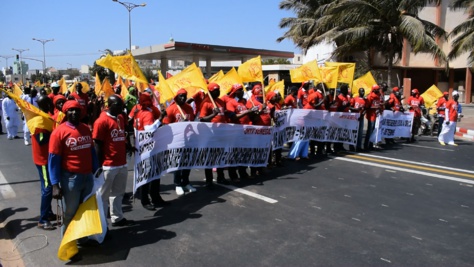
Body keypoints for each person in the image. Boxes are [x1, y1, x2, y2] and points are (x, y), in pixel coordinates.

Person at [49, 100, 99, 236]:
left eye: (77, 110)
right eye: (71, 110)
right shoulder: (59, 132)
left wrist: (97, 170)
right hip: (71, 179)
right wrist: (55, 185)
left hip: (88, 177)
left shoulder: (85, 128)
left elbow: (91, 152)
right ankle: (68, 246)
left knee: (85, 210)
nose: (74, 112)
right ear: (66, 112)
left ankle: (82, 239)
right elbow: (53, 160)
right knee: (70, 212)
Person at [93, 95, 132, 227]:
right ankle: (102, 224)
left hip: (121, 163)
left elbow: (122, 136)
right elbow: (97, 144)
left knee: (118, 193)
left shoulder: (120, 118)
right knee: (103, 196)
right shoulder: (101, 121)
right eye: (119, 105)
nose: (122, 107)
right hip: (108, 166)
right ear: (110, 105)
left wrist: (129, 146)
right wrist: (98, 166)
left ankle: (117, 217)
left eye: (122, 105)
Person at [130, 92, 168, 210]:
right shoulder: (147, 114)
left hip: (141, 146)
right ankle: (147, 199)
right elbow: (149, 129)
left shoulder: (137, 110)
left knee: (148, 173)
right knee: (150, 173)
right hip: (148, 147)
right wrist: (160, 119)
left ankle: (152, 197)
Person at [163, 89, 197, 195]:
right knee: (178, 163)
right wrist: (179, 125)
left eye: (185, 96)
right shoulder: (171, 109)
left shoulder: (189, 108)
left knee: (187, 162)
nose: (183, 98)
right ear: (176, 97)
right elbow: (165, 125)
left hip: (188, 140)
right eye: (181, 96)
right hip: (176, 141)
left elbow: (192, 122)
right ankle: (177, 184)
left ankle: (185, 182)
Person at [199, 83, 231, 187]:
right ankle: (209, 180)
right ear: (210, 91)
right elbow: (202, 119)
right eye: (216, 90)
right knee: (210, 157)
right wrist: (213, 114)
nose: (218, 91)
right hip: (210, 135)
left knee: (221, 156)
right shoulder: (206, 103)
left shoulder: (221, 102)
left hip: (221, 133)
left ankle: (221, 177)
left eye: (219, 89)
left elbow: (223, 116)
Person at [31, 95, 56, 230]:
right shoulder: (40, 120)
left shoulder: (44, 117)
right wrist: (55, 134)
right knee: (47, 188)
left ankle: (49, 212)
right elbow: (41, 139)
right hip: (43, 160)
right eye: (49, 103)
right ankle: (43, 219)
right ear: (46, 105)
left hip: (45, 158)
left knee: (46, 187)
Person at [225, 84, 252, 181]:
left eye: (242, 89)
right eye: (240, 90)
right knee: (234, 154)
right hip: (235, 132)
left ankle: (243, 172)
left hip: (245, 131)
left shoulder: (244, 102)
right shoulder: (230, 102)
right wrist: (247, 112)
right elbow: (233, 117)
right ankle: (233, 175)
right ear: (235, 92)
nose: (242, 91)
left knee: (244, 153)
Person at [364, 85, 383, 150]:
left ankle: (371, 144)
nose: (378, 90)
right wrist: (375, 107)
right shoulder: (370, 96)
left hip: (376, 115)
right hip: (371, 115)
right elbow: (367, 107)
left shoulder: (379, 96)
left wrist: (380, 108)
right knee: (370, 130)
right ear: (374, 90)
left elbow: (379, 104)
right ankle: (366, 145)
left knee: (374, 130)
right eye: (377, 89)